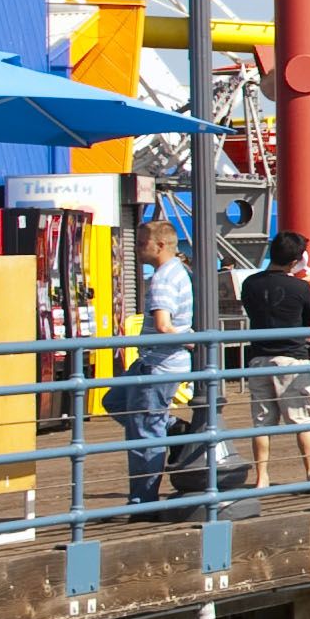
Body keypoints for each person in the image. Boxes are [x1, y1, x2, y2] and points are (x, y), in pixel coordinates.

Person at [121, 217, 196, 511]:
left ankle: (144, 500)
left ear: (160, 245)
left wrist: (188, 338)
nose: (138, 249)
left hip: (158, 363)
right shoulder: (179, 271)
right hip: (160, 361)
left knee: (145, 433)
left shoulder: (162, 280)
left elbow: (163, 325)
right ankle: (173, 427)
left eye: (142, 244)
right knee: (115, 401)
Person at [240, 232, 310, 485]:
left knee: (262, 422)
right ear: (296, 261)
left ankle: (261, 477)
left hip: (258, 358)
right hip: (292, 358)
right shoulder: (300, 287)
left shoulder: (250, 283)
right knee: (303, 420)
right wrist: (304, 281)